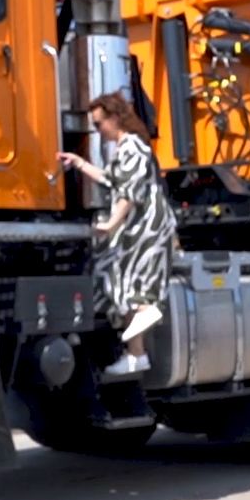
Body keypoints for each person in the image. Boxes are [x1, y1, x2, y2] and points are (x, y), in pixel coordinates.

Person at [59, 91, 178, 376]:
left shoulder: (133, 148)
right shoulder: (125, 149)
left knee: (134, 291)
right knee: (122, 287)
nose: (98, 130)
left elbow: (129, 193)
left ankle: (137, 353)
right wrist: (79, 163)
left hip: (146, 227)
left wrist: (112, 223)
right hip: (136, 227)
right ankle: (135, 353)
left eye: (99, 124)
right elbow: (111, 179)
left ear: (114, 119)